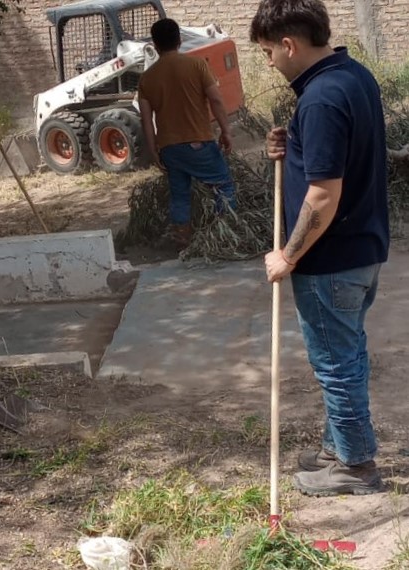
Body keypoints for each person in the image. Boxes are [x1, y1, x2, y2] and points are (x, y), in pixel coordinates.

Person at [252, 0, 389, 496]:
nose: (269, 62)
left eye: (269, 52)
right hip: (362, 248)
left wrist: (287, 255)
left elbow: (323, 196)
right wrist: (295, 145)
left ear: (289, 45)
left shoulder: (322, 99)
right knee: (347, 352)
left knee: (335, 362)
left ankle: (355, 467)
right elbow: (342, 152)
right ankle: (340, 444)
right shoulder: (352, 77)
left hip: (332, 258)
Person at [137, 18, 236, 247]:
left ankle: (182, 236)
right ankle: (228, 231)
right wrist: (226, 131)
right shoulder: (197, 65)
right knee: (223, 185)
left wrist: (154, 151)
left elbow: (145, 120)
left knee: (180, 193)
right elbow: (216, 100)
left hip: (170, 148)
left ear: (155, 44)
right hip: (198, 142)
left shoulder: (147, 78)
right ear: (180, 40)